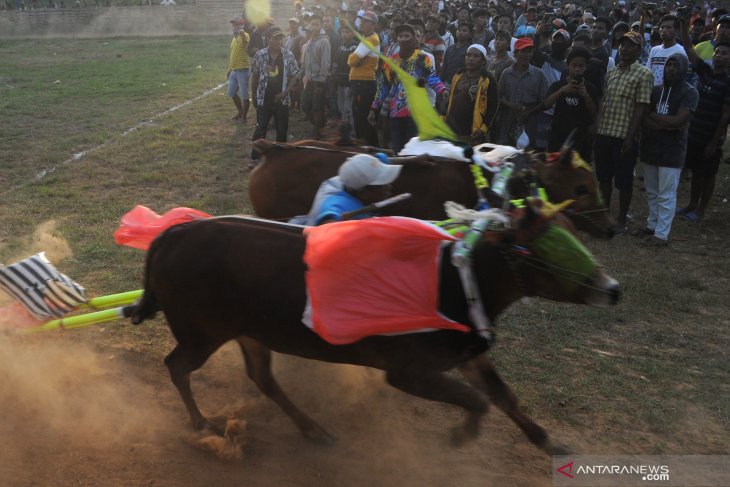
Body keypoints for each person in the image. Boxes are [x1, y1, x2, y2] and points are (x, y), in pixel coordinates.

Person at [593, 31, 654, 233]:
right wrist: (597, 124)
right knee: (603, 178)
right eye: (622, 45)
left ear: (639, 50)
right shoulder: (611, 72)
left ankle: (621, 219)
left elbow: (641, 107)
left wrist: (631, 136)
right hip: (604, 131)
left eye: (630, 45)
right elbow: (604, 100)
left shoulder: (644, 74)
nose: (624, 48)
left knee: (624, 181)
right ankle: (604, 213)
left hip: (624, 136)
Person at [634, 53, 697, 246]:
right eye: (668, 65)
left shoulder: (689, 92)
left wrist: (655, 117)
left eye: (675, 65)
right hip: (651, 146)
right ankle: (652, 225)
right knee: (652, 190)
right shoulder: (656, 90)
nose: (670, 68)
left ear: (683, 68)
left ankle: (661, 235)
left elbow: (679, 121)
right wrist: (665, 124)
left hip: (673, 150)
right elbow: (643, 119)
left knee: (667, 193)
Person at [677, 18, 730, 222]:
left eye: (725, 53)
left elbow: (725, 114)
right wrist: (683, 25)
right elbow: (689, 48)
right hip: (695, 131)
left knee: (707, 175)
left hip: (711, 136)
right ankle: (691, 204)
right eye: (718, 52)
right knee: (696, 172)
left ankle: (701, 210)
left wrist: (715, 141)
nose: (719, 55)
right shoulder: (705, 72)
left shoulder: (727, 83)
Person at [369, 23, 447, 153]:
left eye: (407, 36)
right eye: (400, 36)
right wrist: (374, 107)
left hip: (416, 113)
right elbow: (384, 87)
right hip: (396, 113)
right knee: (398, 150)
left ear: (414, 39)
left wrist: (442, 90)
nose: (403, 39)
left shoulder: (423, 58)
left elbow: (432, 78)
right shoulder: (391, 60)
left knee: (413, 151)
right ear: (397, 39)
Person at [250, 28, 300, 161]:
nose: (278, 41)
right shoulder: (260, 55)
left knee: (282, 130)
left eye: (280, 38)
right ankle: (255, 158)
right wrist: (254, 96)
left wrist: (285, 92)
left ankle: (280, 159)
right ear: (268, 39)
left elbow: (295, 75)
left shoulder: (288, 55)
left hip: (282, 100)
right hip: (264, 99)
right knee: (260, 129)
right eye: (275, 38)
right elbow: (254, 77)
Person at [542, 46, 599, 159]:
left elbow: (594, 113)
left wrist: (586, 96)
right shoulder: (558, 85)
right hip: (558, 137)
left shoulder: (591, 88)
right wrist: (562, 91)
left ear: (585, 67)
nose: (577, 69)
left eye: (581, 66)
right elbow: (546, 105)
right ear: (568, 66)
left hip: (581, 140)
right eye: (574, 65)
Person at [312, 154, 403, 225]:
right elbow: (329, 221)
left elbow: (381, 158)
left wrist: (413, 159)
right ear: (364, 194)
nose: (389, 187)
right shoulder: (341, 205)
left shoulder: (354, 187)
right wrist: (335, 225)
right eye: (383, 185)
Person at [495, 37, 549, 147]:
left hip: (529, 125)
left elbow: (545, 101)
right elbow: (498, 97)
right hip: (507, 123)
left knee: (526, 156)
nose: (527, 55)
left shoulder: (539, 75)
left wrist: (529, 111)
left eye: (530, 51)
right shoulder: (506, 74)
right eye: (523, 51)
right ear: (516, 53)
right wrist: (511, 105)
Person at [444, 44, 499, 144]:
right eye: (468, 55)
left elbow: (493, 106)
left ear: (483, 61)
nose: (471, 59)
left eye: (475, 56)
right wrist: (443, 116)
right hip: (451, 129)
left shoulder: (487, 79)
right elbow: (450, 98)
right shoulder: (458, 75)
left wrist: (483, 129)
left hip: (472, 132)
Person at [348, 10, 380, 147]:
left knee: (362, 118)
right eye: (361, 20)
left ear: (372, 24)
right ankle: (368, 147)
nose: (361, 23)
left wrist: (354, 58)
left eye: (365, 21)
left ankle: (368, 148)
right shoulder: (368, 39)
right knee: (361, 117)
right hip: (362, 84)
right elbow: (354, 60)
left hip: (364, 84)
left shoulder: (370, 40)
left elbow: (351, 60)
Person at [301, 14, 331, 139]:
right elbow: (305, 62)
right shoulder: (309, 42)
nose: (314, 27)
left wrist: (321, 83)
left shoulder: (324, 41)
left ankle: (318, 132)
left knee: (317, 109)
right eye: (312, 24)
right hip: (308, 80)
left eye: (317, 24)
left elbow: (325, 64)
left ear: (321, 26)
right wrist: (302, 76)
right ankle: (320, 128)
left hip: (319, 81)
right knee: (306, 106)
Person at [646, 15, 687, 86]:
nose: (664, 30)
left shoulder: (681, 51)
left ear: (676, 30)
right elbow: (647, 72)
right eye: (662, 27)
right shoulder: (654, 50)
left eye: (669, 27)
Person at [334, 24, 358, 131]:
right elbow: (336, 64)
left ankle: (351, 131)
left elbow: (357, 66)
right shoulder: (340, 47)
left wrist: (354, 83)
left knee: (349, 108)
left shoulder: (356, 47)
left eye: (347, 32)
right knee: (341, 107)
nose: (344, 34)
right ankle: (344, 131)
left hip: (350, 81)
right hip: (340, 81)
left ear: (352, 33)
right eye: (343, 32)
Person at [227, 18, 251, 122]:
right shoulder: (234, 39)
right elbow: (232, 54)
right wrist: (229, 69)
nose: (233, 27)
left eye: (236, 25)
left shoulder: (244, 36)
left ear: (241, 26)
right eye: (233, 25)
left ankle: (244, 117)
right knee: (232, 93)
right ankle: (240, 112)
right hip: (234, 70)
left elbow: (245, 38)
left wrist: (242, 32)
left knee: (244, 95)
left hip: (243, 70)